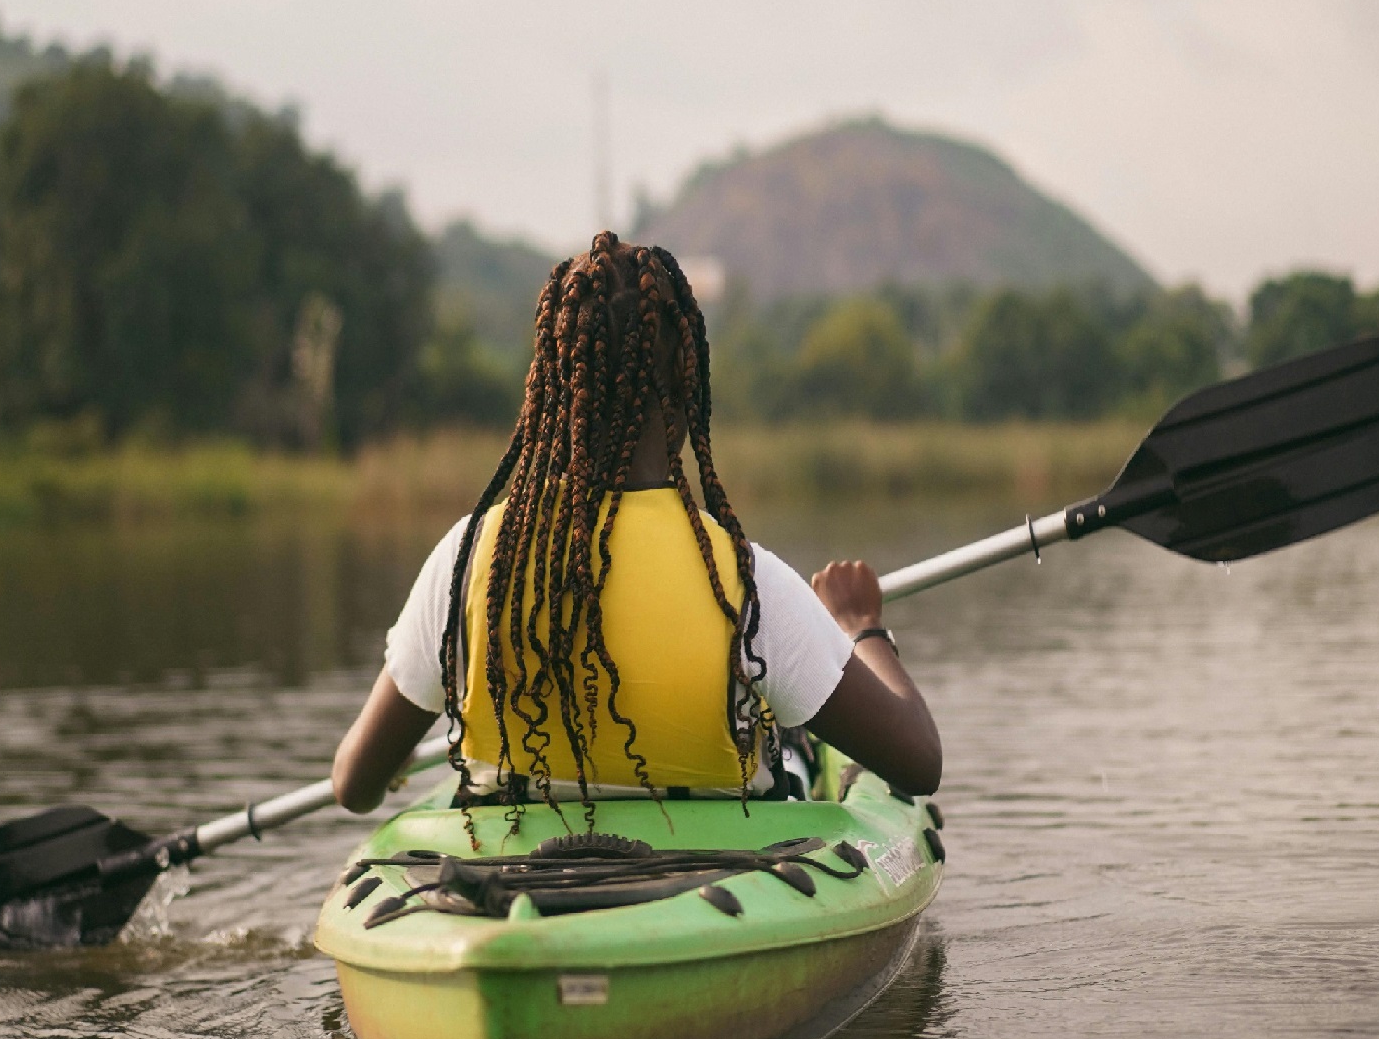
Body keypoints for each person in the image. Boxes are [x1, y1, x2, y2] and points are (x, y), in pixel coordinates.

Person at [330, 232, 939, 821]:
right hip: (721, 885)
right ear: (684, 393)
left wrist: (401, 750)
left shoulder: (465, 563)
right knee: (794, 746)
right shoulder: (748, 587)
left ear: (549, 393)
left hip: (504, 873)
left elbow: (353, 784)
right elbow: (919, 763)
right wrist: (862, 629)